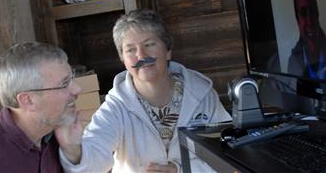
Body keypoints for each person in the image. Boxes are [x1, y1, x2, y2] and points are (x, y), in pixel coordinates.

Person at [56, 9, 231, 172]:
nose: (141, 56)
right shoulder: (116, 106)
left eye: (149, 44)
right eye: (131, 49)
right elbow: (95, 155)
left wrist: (180, 170)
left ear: (168, 50)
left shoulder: (203, 96)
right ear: (123, 59)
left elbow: (227, 157)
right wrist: (74, 150)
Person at [0, 42, 81, 172]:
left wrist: (72, 151)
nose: (77, 89)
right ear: (28, 100)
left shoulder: (58, 133)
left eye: (71, 78)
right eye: (65, 83)